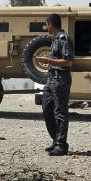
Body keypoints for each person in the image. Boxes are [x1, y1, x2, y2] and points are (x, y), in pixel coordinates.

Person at [36, 13, 74, 156]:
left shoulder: (64, 39)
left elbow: (68, 62)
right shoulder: (55, 39)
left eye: (47, 24)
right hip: (51, 80)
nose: (46, 27)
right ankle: (56, 140)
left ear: (51, 24)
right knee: (47, 109)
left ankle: (61, 145)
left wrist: (48, 61)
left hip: (61, 80)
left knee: (60, 113)